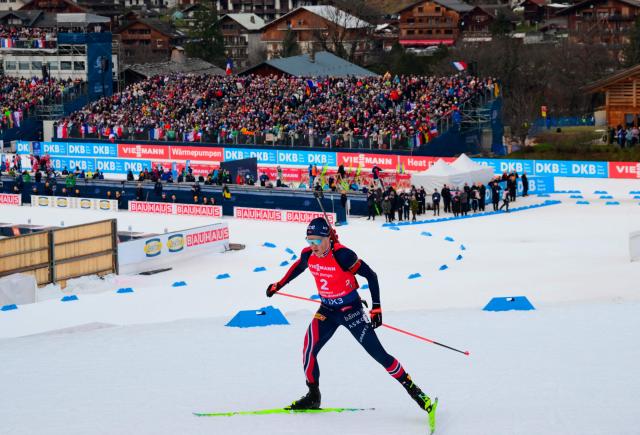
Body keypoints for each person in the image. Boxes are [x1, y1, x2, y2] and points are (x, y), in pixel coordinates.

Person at [266, 218, 434, 414]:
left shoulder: (343, 255)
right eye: (309, 241)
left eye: (317, 241)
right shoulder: (308, 255)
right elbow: (297, 268)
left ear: (328, 238)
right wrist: (278, 285)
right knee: (308, 349)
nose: (313, 246)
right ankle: (313, 396)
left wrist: (377, 307)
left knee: (379, 354)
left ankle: (415, 392)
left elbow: (371, 275)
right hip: (327, 311)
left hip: (351, 311)